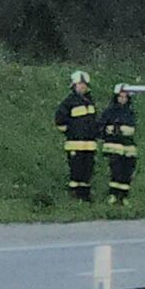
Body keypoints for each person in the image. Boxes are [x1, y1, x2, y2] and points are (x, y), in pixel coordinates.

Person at [55, 71, 98, 201]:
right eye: (80, 84)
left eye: (84, 84)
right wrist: (71, 132)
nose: (82, 86)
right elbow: (59, 121)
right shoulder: (69, 102)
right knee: (76, 170)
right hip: (74, 143)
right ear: (74, 85)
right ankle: (74, 194)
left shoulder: (90, 102)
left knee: (87, 170)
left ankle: (85, 195)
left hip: (89, 145)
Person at [99, 84, 137, 206]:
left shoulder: (130, 112)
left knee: (127, 173)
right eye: (120, 97)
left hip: (128, 147)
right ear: (116, 97)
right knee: (116, 172)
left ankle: (124, 196)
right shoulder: (110, 111)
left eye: (125, 97)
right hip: (114, 146)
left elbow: (132, 129)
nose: (123, 99)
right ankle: (113, 195)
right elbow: (101, 127)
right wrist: (111, 131)